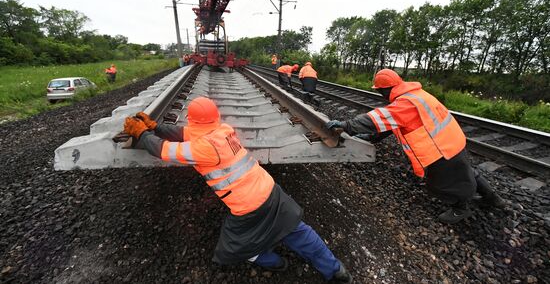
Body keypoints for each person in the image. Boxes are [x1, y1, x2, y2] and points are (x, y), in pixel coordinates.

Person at [123, 97, 353, 283]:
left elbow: (163, 150)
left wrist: (142, 134)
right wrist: (156, 127)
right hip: (270, 190)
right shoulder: (223, 129)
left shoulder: (204, 147)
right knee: (298, 231)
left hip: (248, 208)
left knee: (234, 247)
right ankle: (335, 270)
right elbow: (185, 134)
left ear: (192, 121)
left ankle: (274, 262)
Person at [326, 69, 505, 224]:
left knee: (445, 181)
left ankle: (461, 207)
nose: (381, 95)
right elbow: (396, 124)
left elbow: (379, 118)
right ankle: (493, 198)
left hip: (439, 147)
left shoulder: (405, 102)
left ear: (385, 89)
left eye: (381, 92)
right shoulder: (416, 94)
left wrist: (346, 125)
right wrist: (372, 137)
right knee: (464, 170)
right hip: (452, 139)